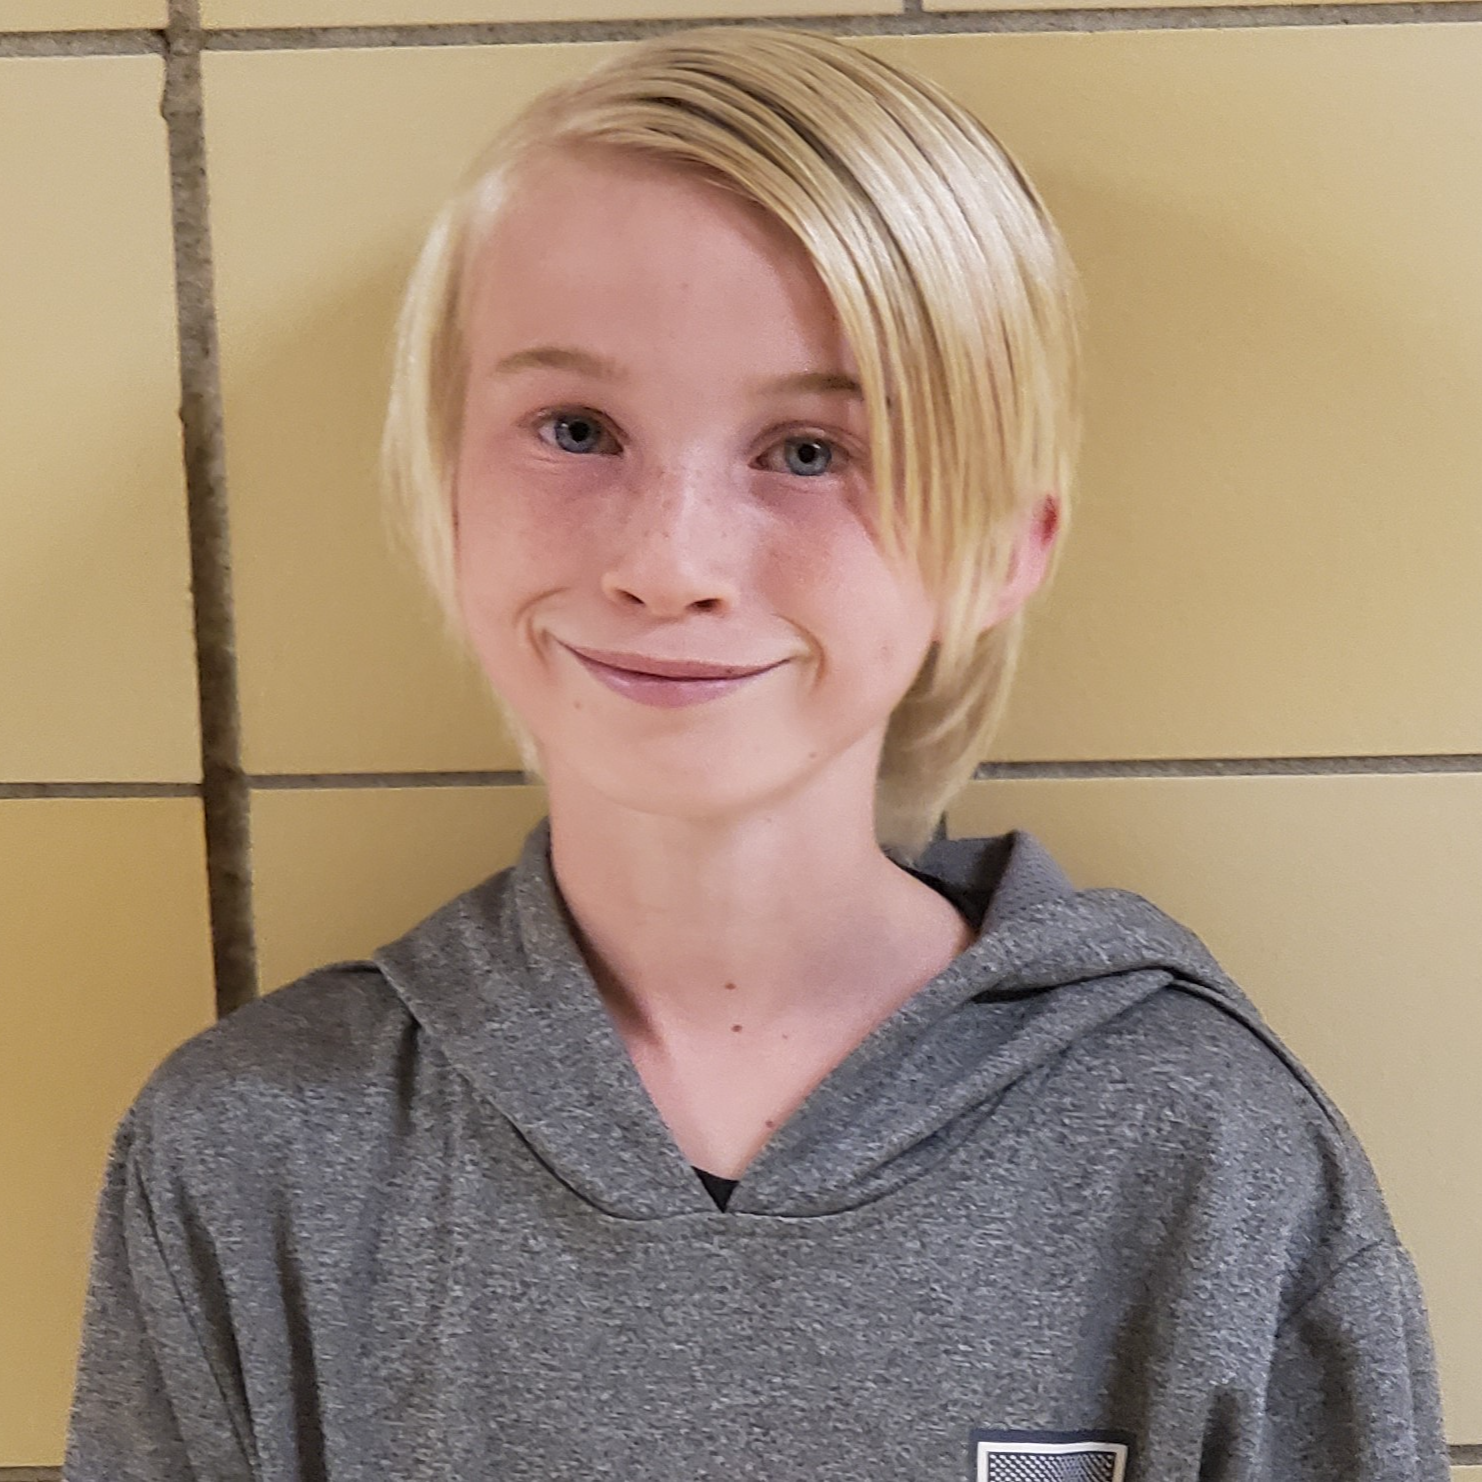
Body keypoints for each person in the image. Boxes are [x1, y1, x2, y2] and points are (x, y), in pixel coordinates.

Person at [64, 25, 1447, 1481]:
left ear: (1001, 548)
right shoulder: (249, 1158)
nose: (671, 563)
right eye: (576, 427)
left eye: (805, 451)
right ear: (441, 485)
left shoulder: (1202, 1156)